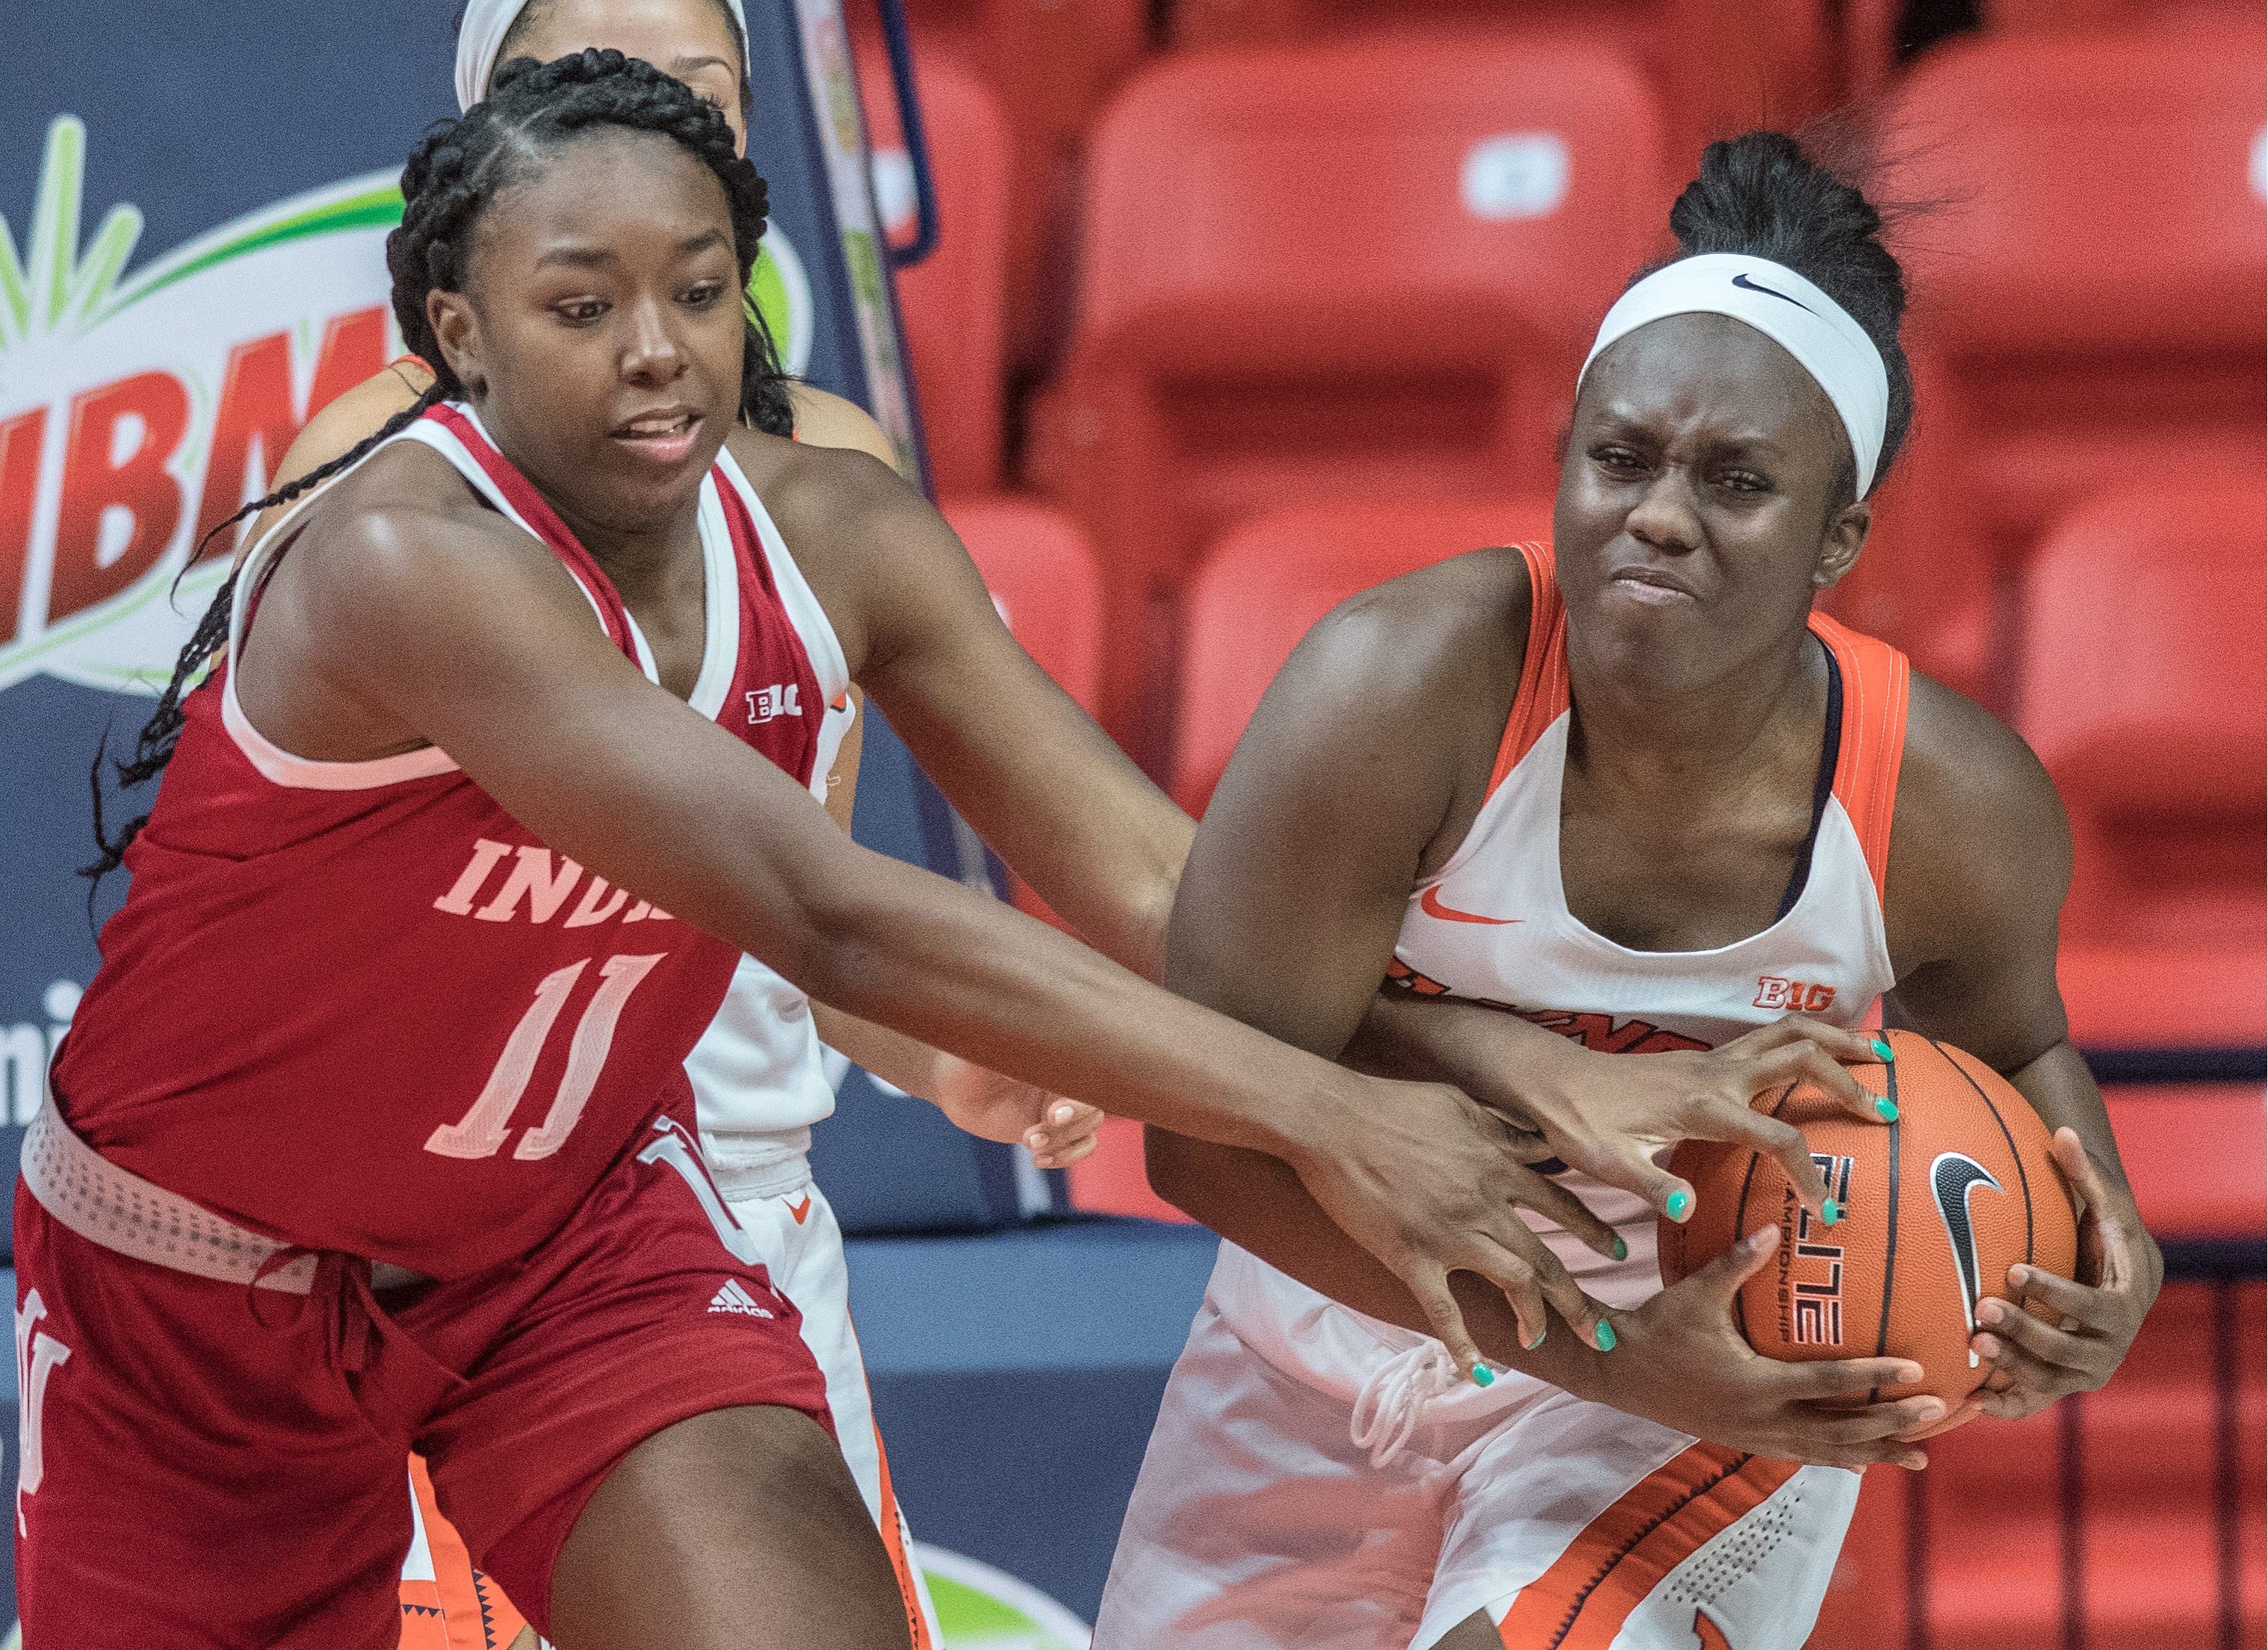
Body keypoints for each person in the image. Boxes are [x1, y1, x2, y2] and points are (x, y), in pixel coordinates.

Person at [29, 54, 1596, 1650]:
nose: (656, 353)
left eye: (700, 294)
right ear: (461, 334)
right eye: (581, 310)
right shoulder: (401, 562)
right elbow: (827, 914)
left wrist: (1510, 1062)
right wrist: (1336, 1113)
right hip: (199, 1296)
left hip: (566, 1251)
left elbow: (1170, 896)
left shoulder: (836, 539)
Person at [1095, 131, 2163, 1650]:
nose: (1659, 513)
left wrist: (2104, 1244)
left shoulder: (1948, 804)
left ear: (1838, 539)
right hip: (1324, 1339)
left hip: (1706, 1375)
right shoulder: (1397, 686)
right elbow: (1199, 1135)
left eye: (1736, 482)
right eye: (1622, 457)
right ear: (1565, 465)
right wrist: (1599, 1347)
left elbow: (2019, 1045)